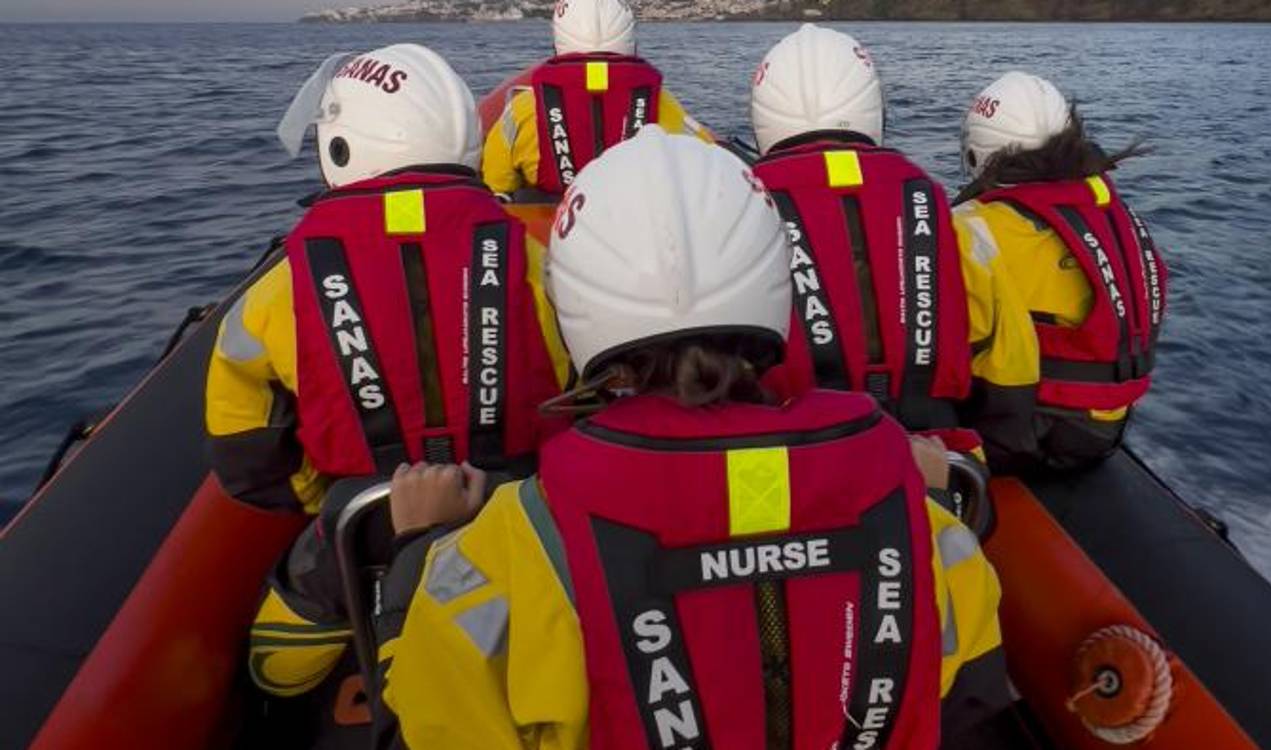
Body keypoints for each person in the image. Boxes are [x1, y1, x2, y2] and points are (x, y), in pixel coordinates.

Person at [372, 127, 1010, 750]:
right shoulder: (920, 521)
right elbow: (969, 699)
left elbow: (423, 723)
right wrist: (925, 499)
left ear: (573, 304)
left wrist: (417, 548)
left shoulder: (512, 546)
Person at [203, 43, 571, 735]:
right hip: (516, 514)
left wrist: (326, 501)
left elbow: (247, 454)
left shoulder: (279, 290)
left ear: (342, 145)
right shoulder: (531, 256)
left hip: (359, 530)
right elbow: (573, 389)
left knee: (272, 671)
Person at [749, 24, 1041, 482]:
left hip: (797, 468)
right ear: (874, 111)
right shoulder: (945, 214)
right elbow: (1010, 348)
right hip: (936, 459)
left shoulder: (740, 216)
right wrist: (1002, 453)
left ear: (762, 120)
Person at [954, 72, 1167, 471]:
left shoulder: (975, 226)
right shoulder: (1110, 210)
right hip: (1109, 421)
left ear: (978, 153)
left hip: (1032, 434)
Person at [481, 0, 713, 197]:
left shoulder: (523, 109)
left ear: (557, 44)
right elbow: (710, 157)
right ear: (632, 44)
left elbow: (496, 182)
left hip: (552, 233)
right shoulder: (661, 105)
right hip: (638, 228)